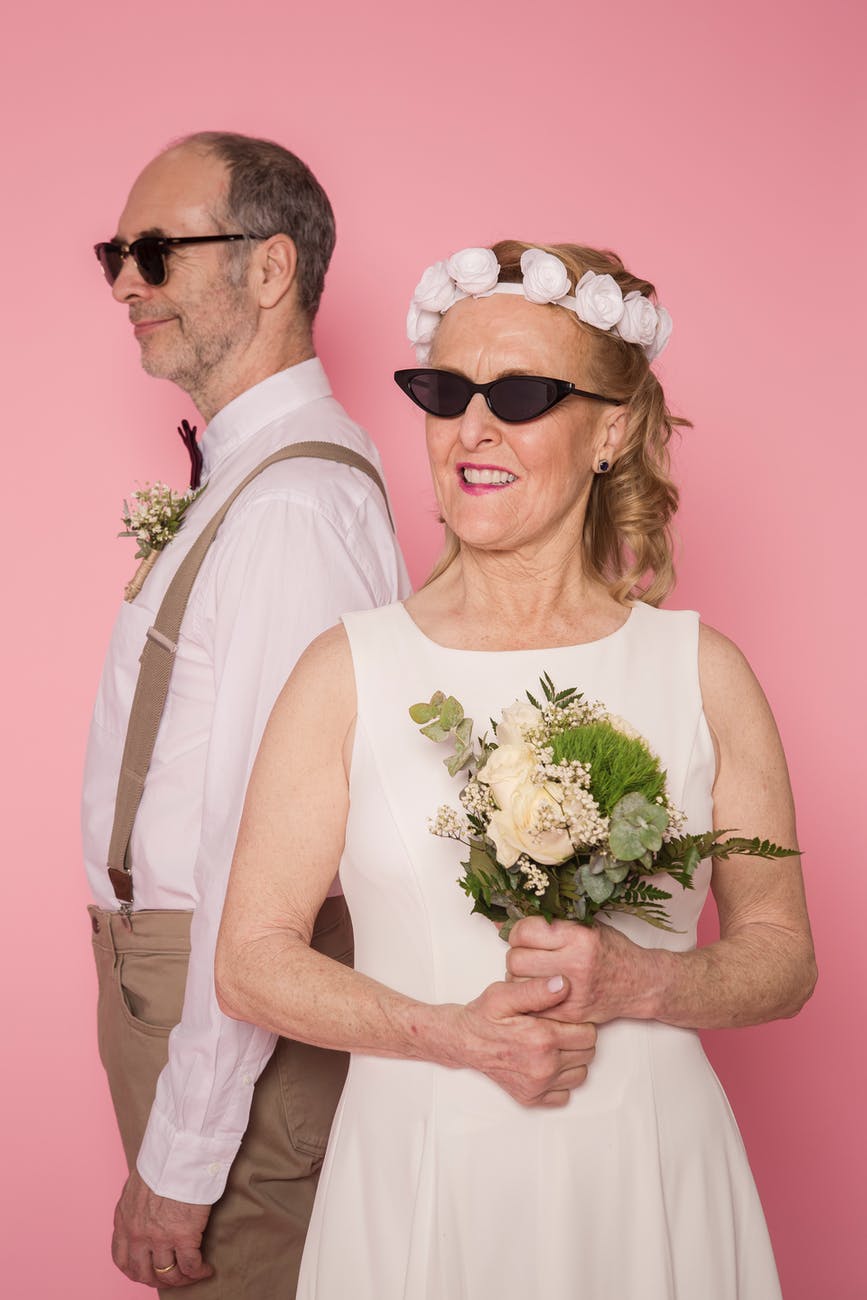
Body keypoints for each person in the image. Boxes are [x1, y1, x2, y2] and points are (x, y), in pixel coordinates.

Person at [216, 240, 816, 1298]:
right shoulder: (346, 670)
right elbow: (252, 958)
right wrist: (448, 1034)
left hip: (645, 1171)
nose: (472, 430)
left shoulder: (701, 670)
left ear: (612, 429)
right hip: (421, 1168)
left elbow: (781, 953)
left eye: (522, 394)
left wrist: (646, 978)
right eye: (446, 393)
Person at [83, 131, 408, 1295]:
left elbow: (256, 862)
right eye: (117, 253)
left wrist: (184, 1155)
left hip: (224, 1014)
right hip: (179, 993)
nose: (126, 280)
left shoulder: (289, 511)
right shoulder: (257, 484)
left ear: (270, 270)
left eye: (158, 251)